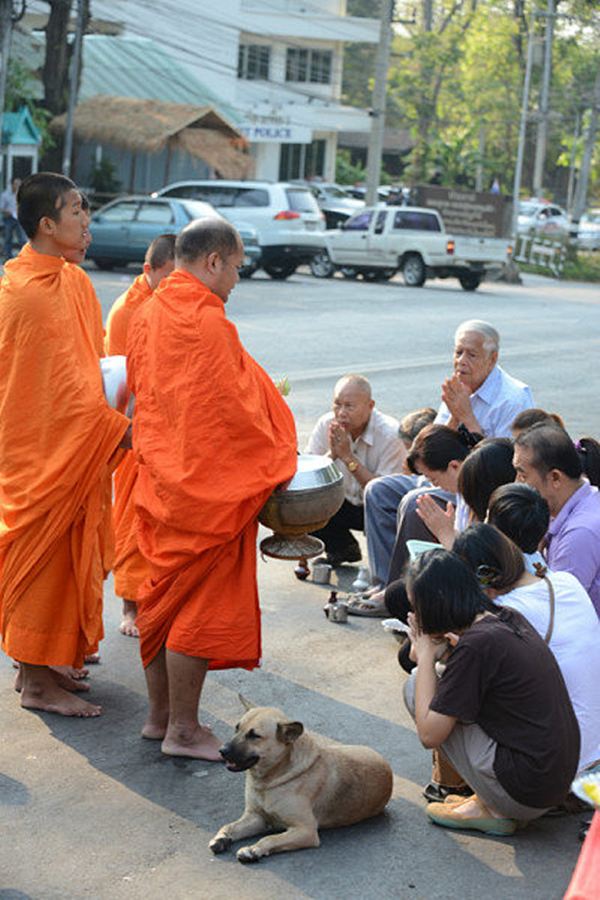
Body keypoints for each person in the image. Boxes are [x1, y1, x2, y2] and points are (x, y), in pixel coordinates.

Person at [127, 217, 297, 760]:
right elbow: (236, 414)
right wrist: (277, 447)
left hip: (158, 484)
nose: (237, 280)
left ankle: (159, 719)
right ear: (214, 261)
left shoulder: (148, 311)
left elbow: (148, 396)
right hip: (207, 495)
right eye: (238, 267)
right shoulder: (207, 324)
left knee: (159, 600)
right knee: (194, 611)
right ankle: (183, 731)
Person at [0, 172, 130, 717]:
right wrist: (115, 430)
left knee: (68, 554)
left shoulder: (73, 282)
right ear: (47, 225)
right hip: (39, 453)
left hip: (71, 442)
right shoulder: (25, 292)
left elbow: (81, 371)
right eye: (76, 210)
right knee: (45, 561)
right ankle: (34, 682)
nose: (86, 220)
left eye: (85, 210)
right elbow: (51, 391)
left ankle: (49, 662)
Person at [403, 549, 580, 835]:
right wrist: (427, 651)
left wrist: (425, 655)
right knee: (437, 682)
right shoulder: (502, 617)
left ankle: (493, 807)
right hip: (551, 780)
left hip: (526, 793)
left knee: (416, 686)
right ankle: (490, 798)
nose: (413, 616)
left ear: (433, 607)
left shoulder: (475, 646)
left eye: (415, 607)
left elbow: (429, 734)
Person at [364, 320, 533, 592]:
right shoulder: (458, 387)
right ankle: (383, 582)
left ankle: (403, 591)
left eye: (471, 354)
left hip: (476, 490)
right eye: (458, 353)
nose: (461, 361)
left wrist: (468, 415)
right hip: (441, 475)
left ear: (493, 359)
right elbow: (431, 448)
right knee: (379, 490)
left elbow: (503, 467)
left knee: (414, 502)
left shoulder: (513, 398)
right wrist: (455, 413)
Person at [453, 523, 600, 775]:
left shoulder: (502, 613)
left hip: (562, 767)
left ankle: (459, 788)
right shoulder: (566, 581)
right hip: (593, 754)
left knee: (442, 683)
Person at [105, 234, 176, 638]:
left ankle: (156, 599)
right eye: (167, 278)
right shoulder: (126, 312)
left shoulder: (172, 304)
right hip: (136, 428)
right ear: (148, 271)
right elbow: (122, 382)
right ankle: (131, 606)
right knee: (134, 519)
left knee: (163, 521)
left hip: (169, 428)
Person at [306, 374, 404, 567]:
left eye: (349, 406)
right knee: (306, 502)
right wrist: (332, 455)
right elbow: (309, 477)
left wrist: (348, 458)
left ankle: (388, 564)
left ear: (370, 405)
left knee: (389, 511)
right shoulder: (326, 424)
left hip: (380, 508)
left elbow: (385, 493)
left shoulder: (390, 434)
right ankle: (342, 548)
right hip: (342, 502)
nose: (341, 413)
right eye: (337, 404)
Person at [513, 423, 600, 616]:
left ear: (555, 478)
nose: (516, 483)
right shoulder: (584, 499)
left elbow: (557, 609)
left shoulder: (580, 533)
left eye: (522, 474)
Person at [1, 177, 26, 260]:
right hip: (9, 219)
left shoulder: (22, 195)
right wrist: (8, 212)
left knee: (22, 239)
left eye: (19, 184)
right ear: (12, 185)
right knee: (8, 238)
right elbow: (1, 208)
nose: (18, 186)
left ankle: (24, 257)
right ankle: (8, 257)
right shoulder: (5, 195)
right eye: (16, 184)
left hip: (19, 219)